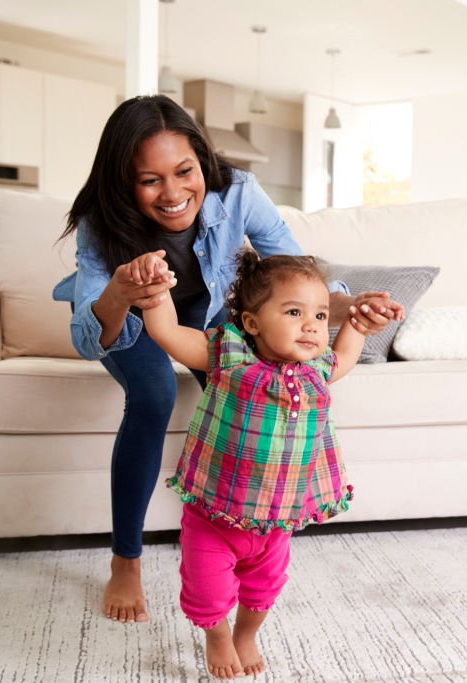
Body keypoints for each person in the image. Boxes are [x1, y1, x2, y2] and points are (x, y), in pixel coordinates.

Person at [52, 95, 403, 624]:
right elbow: (88, 337)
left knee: (254, 388)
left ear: (202, 159)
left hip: (212, 309)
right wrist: (121, 293)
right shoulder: (100, 220)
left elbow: (293, 274)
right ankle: (126, 558)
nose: (173, 193)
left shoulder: (238, 191)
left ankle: (234, 536)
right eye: (150, 180)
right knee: (154, 394)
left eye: (184, 171)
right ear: (124, 182)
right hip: (133, 312)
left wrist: (352, 308)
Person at [144, 250, 363, 678]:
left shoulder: (317, 370)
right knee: (207, 593)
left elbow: (348, 355)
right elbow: (167, 332)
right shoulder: (229, 357)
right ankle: (218, 636)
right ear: (252, 322)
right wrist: (156, 292)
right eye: (295, 312)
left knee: (265, 589)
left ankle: (246, 634)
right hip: (214, 516)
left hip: (276, 521)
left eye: (320, 316)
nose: (311, 325)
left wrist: (357, 322)